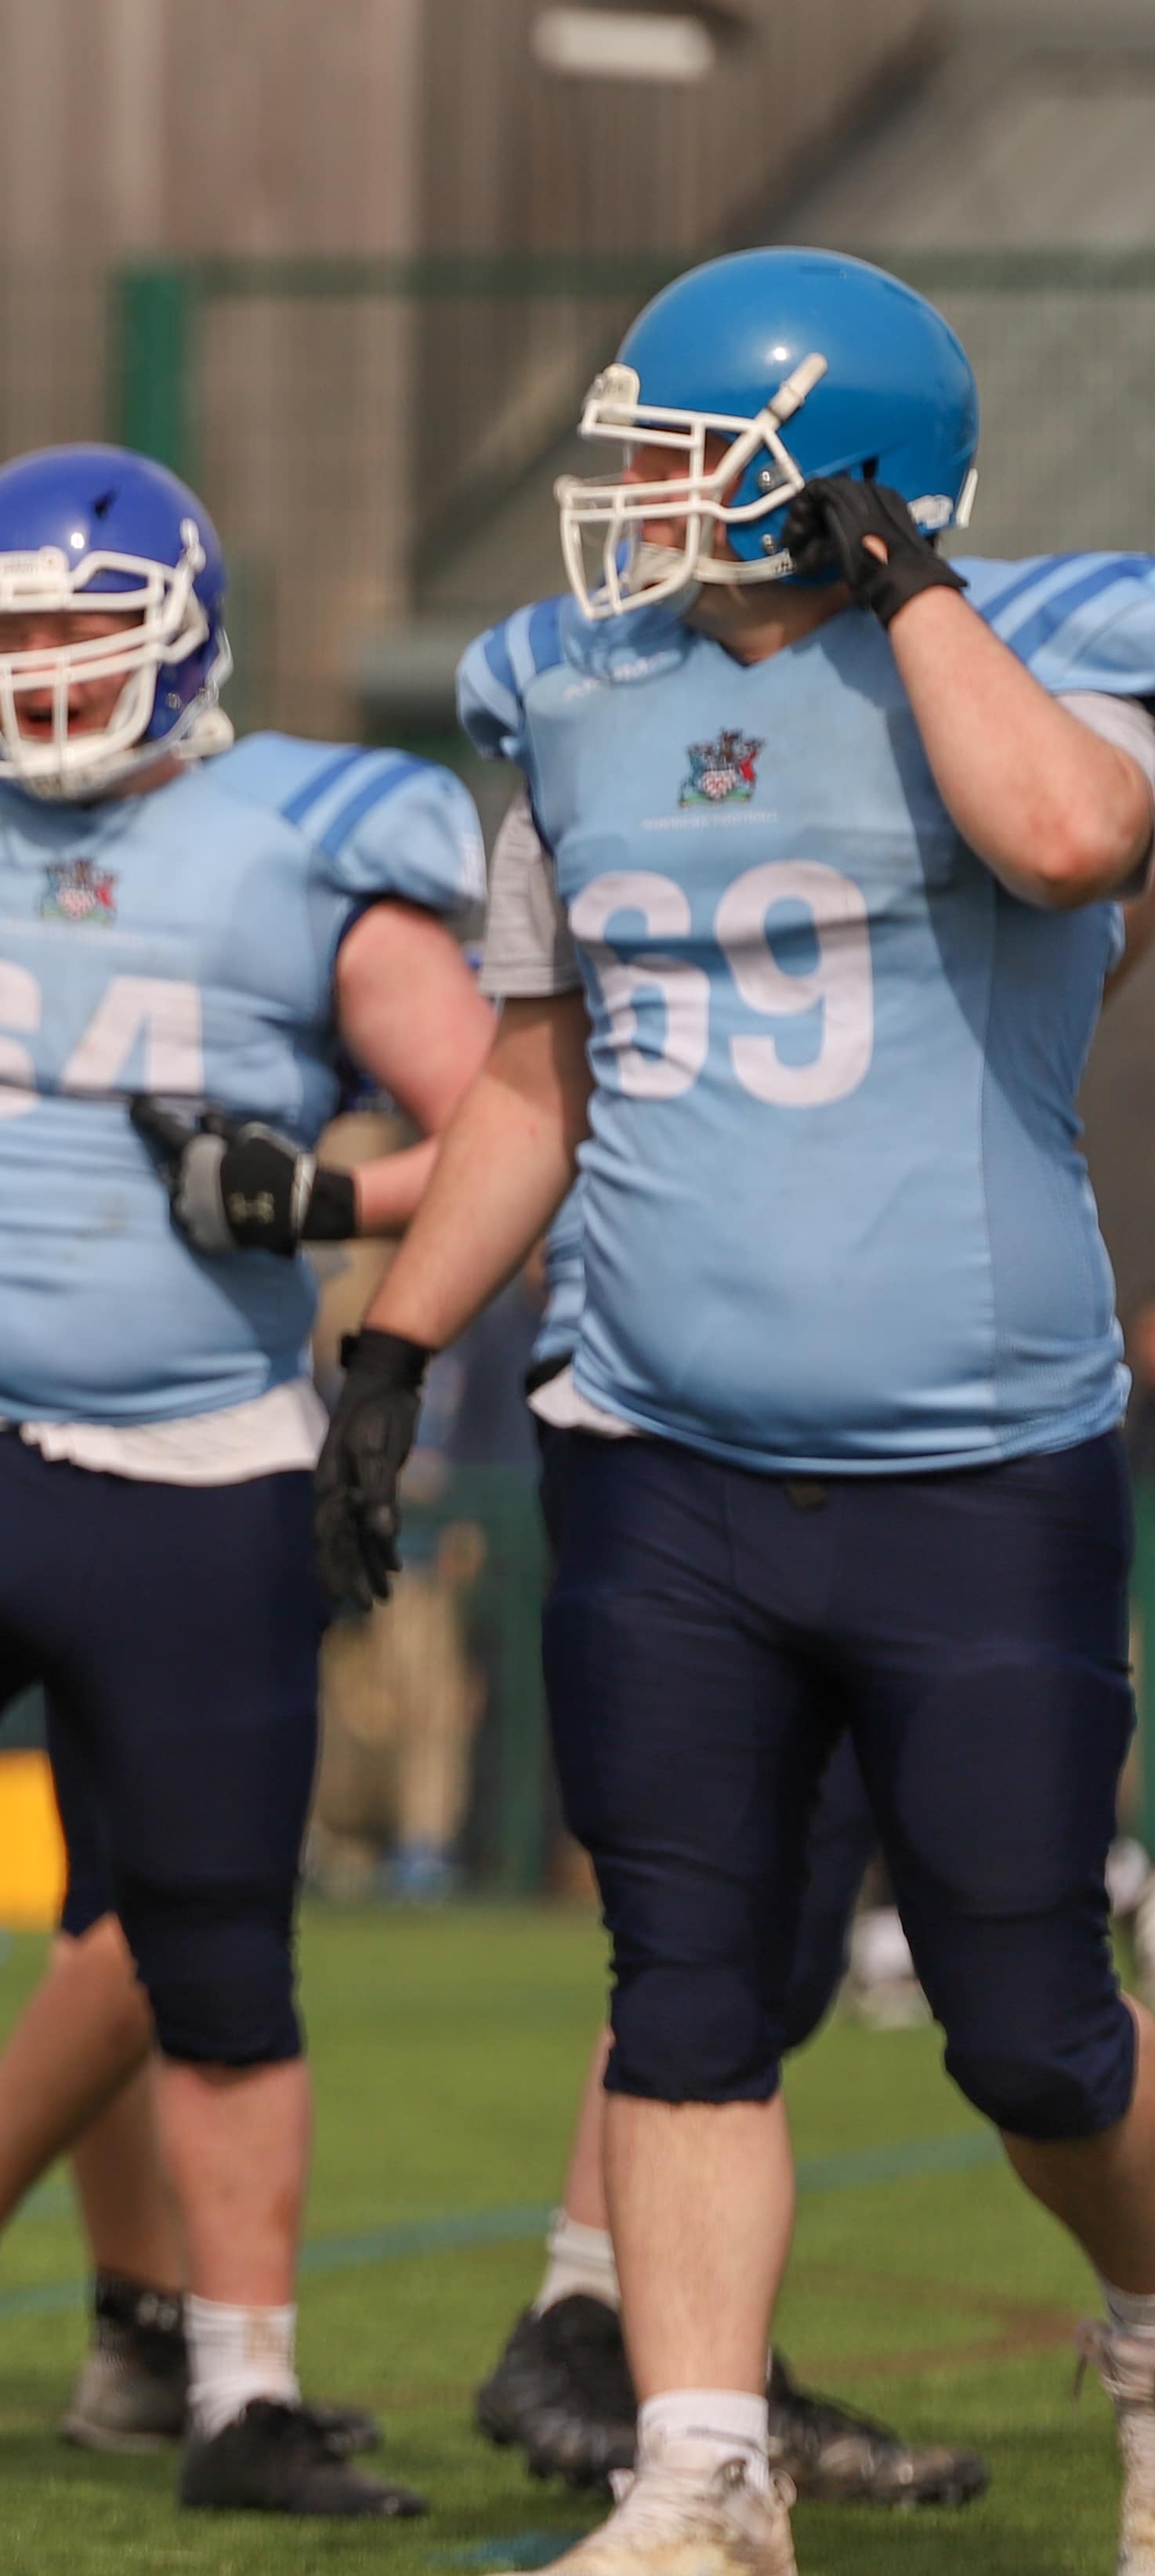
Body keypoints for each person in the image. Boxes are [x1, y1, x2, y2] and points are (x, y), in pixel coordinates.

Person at [326, 248, 1155, 2576]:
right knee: (679, 1987)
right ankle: (695, 2466)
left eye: (687, 456)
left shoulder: (1043, 643)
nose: (638, 498)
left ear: (837, 473)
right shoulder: (564, 691)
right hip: (653, 1444)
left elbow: (1067, 841)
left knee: (1024, 2020)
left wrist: (911, 598)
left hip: (966, 1454)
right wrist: (394, 1341)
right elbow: (530, 1073)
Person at [0, 441, 490, 2520]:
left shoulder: (310, 837)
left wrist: (326, 1194)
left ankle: (238, 2386)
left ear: (182, 635)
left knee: (216, 1945)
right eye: (0, 630)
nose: (38, 668)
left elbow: (508, 1114)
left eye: (80, 625)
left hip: (199, 1456)